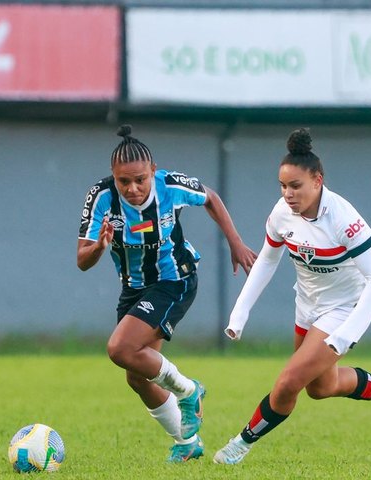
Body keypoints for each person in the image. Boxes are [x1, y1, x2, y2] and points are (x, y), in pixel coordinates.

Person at [213, 127, 371, 465]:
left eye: (295, 186)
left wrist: (347, 334)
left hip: (342, 311)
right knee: (320, 387)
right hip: (307, 306)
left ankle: (239, 444)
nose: (288, 194)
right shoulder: (281, 213)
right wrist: (240, 313)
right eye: (282, 186)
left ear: (318, 181)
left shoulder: (343, 219)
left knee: (288, 382)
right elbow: (267, 260)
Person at [77, 124, 257, 463]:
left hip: (175, 279)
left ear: (153, 171)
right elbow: (82, 260)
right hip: (133, 289)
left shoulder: (170, 185)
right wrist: (99, 247)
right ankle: (187, 442)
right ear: (113, 177)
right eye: (123, 181)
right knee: (137, 377)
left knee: (119, 348)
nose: (132, 188)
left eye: (140, 179)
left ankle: (189, 391)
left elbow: (211, 197)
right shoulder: (100, 197)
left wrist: (235, 242)